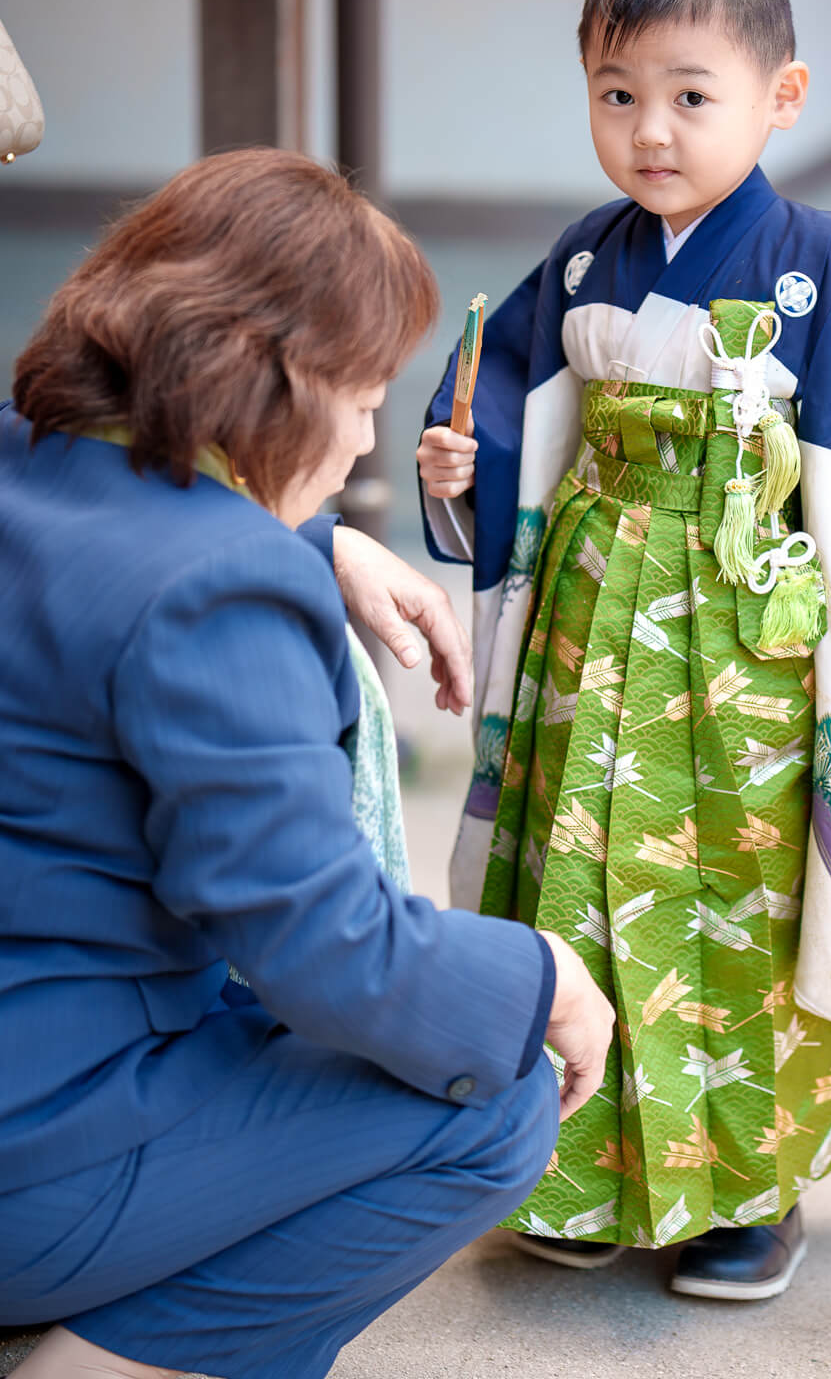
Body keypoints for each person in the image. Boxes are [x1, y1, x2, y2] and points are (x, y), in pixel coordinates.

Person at [416, 0, 831, 1300]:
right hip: (589, 630)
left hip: (750, 653)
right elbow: (507, 415)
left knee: (739, 909)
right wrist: (466, 465)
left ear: (781, 98)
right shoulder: (581, 264)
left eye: (693, 97)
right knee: (578, 885)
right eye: (618, 95)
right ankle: (575, 1174)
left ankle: (751, 1193)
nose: (652, 132)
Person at [0, 147, 614, 1379]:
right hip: (37, 1148)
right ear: (278, 382)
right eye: (366, 391)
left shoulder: (27, 460)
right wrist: (538, 972)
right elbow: (321, 941)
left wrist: (309, 540)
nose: (370, 431)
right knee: (490, 1100)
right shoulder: (214, 591)